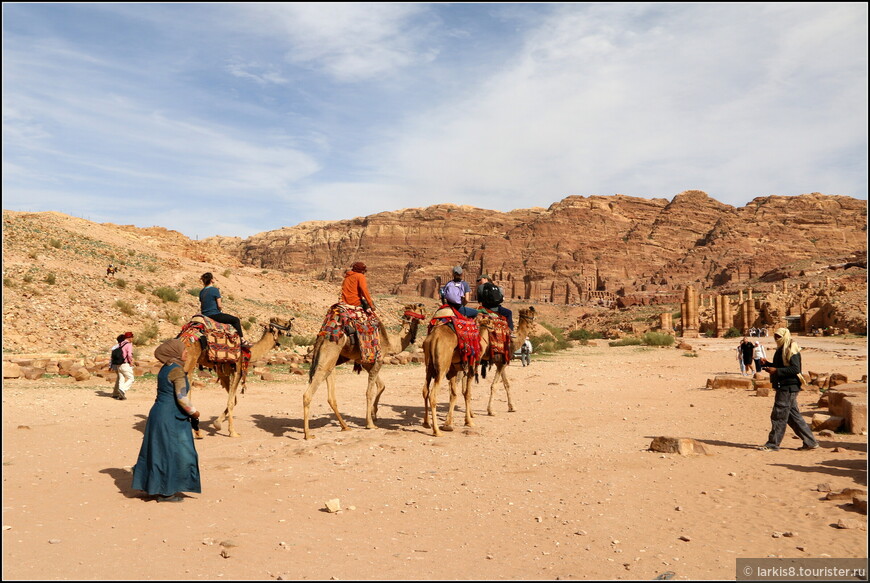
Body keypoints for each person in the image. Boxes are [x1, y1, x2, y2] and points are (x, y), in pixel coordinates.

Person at [131, 338, 202, 502]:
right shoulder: (176, 370)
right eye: (183, 350)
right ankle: (166, 492)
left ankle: (154, 486)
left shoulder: (166, 367)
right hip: (170, 416)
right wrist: (194, 413)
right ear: (174, 353)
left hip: (159, 414)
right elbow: (182, 397)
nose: (186, 353)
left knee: (158, 451)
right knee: (173, 453)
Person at [757, 328, 819, 452]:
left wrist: (776, 371)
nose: (776, 339)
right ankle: (811, 442)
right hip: (784, 385)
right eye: (775, 336)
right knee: (792, 417)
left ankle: (773, 444)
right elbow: (782, 366)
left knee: (778, 415)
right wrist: (768, 364)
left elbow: (796, 369)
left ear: (785, 336)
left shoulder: (792, 349)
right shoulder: (782, 348)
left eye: (778, 336)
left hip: (788, 387)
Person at [198, 272, 244, 340]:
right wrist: (220, 310)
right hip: (214, 315)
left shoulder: (201, 292)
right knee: (235, 320)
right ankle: (242, 339)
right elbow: (219, 305)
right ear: (211, 280)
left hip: (204, 315)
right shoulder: (215, 290)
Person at [111, 331, 135, 400]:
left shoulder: (120, 344)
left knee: (121, 379)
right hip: (125, 364)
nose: (132, 338)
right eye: (132, 337)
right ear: (129, 337)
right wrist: (131, 362)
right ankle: (122, 390)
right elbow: (129, 354)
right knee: (131, 378)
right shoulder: (129, 344)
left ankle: (120, 395)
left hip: (119, 364)